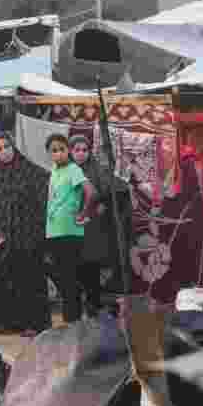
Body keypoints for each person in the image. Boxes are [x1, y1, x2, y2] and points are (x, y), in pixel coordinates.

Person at [0, 132, 52, 337]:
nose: (4, 151)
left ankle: (34, 324)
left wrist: (39, 232)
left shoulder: (32, 172)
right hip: (6, 235)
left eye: (6, 146)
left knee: (30, 278)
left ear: (14, 146)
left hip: (29, 235)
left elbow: (44, 201)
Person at [70, 134, 132, 315]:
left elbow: (118, 190)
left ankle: (94, 307)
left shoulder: (98, 170)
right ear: (71, 151)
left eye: (84, 150)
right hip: (71, 226)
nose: (81, 154)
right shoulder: (63, 170)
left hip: (93, 229)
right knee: (75, 269)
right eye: (76, 150)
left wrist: (103, 205)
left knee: (91, 268)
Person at [44, 133, 95, 325]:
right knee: (63, 278)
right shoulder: (54, 171)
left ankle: (72, 320)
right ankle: (72, 318)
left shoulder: (73, 169)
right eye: (53, 151)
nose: (58, 153)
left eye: (61, 149)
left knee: (68, 278)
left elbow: (91, 193)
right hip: (53, 231)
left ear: (68, 150)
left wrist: (84, 213)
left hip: (69, 231)